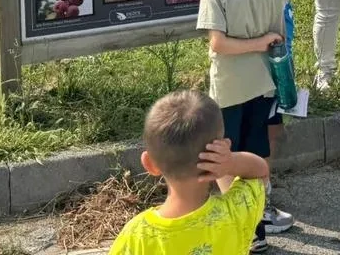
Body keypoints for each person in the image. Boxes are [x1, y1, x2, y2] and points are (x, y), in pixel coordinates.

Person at [195, 0, 287, 252]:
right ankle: (257, 227)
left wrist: (254, 42)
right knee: (255, 154)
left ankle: (242, 228)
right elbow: (279, 32)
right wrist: (264, 43)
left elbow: (218, 43)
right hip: (264, 83)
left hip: (230, 88)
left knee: (223, 158)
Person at [108, 90, 269, 255]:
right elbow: (261, 172)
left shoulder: (136, 236)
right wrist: (230, 162)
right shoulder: (236, 211)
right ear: (218, 152)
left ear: (149, 164)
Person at [246, 0, 312, 234]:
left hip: (268, 63)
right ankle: (258, 207)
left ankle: (261, 194)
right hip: (267, 65)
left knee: (271, 132)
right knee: (262, 138)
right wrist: (281, 70)